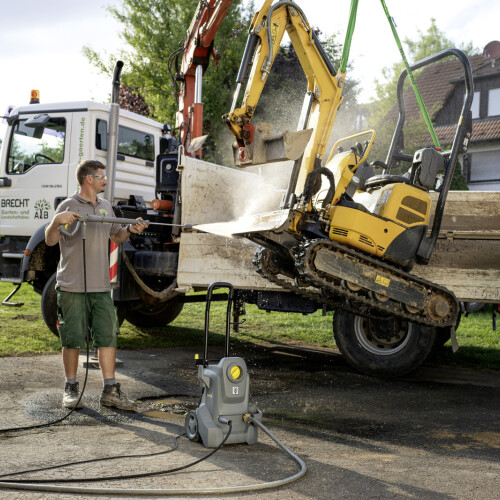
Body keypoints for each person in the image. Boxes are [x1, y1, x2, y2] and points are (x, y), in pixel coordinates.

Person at [45, 159, 148, 410]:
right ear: (88, 178)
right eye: (101, 176)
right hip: (71, 285)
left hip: (101, 286)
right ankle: (71, 388)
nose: (105, 180)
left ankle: (110, 391)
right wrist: (58, 220)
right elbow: (49, 241)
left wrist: (131, 230)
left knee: (107, 337)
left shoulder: (105, 206)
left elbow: (116, 235)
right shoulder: (68, 205)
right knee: (71, 338)